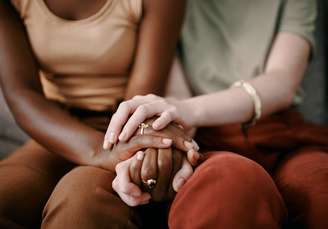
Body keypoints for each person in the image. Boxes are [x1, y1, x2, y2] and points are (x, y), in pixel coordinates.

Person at [106, 0, 328, 228]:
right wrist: (158, 155)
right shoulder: (167, 4)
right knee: (227, 185)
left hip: (284, 136)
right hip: (207, 141)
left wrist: (188, 110)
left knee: (319, 186)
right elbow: (175, 107)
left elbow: (282, 83)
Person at [0, 0, 200, 228]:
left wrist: (126, 148)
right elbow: (22, 94)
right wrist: (97, 152)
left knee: (80, 209)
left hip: (124, 127)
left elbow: (142, 97)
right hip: (54, 127)